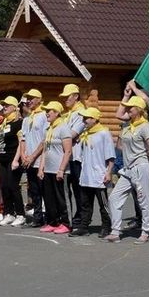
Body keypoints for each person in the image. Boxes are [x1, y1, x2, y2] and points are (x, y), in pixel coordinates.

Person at [106, 95, 149, 244]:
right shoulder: (127, 126)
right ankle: (115, 231)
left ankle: (146, 232)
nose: (127, 109)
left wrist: (142, 155)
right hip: (128, 169)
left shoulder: (144, 126)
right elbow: (120, 145)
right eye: (127, 107)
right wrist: (126, 96)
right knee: (114, 197)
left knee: (144, 200)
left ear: (139, 110)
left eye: (131, 107)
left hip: (141, 167)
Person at [117, 80, 149, 231]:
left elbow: (145, 100)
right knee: (136, 189)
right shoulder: (133, 118)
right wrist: (126, 96)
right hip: (132, 157)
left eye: (140, 96)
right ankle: (140, 218)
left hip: (147, 156)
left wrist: (134, 87)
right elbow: (119, 114)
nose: (138, 98)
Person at [74, 107, 115, 237]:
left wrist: (109, 172)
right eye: (83, 118)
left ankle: (107, 226)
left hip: (99, 176)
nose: (84, 120)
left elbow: (111, 156)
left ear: (94, 119)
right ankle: (84, 226)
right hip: (86, 176)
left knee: (103, 204)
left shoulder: (104, 133)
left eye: (86, 118)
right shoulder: (86, 134)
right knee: (85, 204)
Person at [37, 101, 72, 234]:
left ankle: (66, 223)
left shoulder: (63, 127)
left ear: (57, 113)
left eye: (49, 111)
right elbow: (45, 150)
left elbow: (68, 151)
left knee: (62, 198)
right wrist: (41, 168)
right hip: (48, 170)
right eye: (46, 111)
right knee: (49, 198)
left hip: (59, 170)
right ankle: (53, 222)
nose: (47, 113)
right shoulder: (48, 129)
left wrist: (61, 169)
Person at [0, 97, 26, 226]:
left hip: (13, 158)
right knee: (4, 186)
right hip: (2, 158)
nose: (5, 107)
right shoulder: (3, 123)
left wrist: (15, 160)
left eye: (7, 105)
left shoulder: (19, 122)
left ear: (14, 107)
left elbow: (21, 143)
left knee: (13, 186)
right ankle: (8, 213)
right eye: (3, 105)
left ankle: (20, 214)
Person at [17, 89, 47, 226]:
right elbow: (23, 139)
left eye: (32, 98)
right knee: (33, 190)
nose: (29, 101)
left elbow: (44, 140)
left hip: (40, 160)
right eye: (27, 98)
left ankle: (48, 216)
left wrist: (33, 156)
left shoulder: (44, 116)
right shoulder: (27, 119)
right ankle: (37, 216)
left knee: (43, 190)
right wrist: (23, 155)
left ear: (39, 99)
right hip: (28, 160)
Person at [59, 84, 86, 223]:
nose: (65, 99)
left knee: (78, 189)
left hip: (77, 157)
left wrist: (62, 137)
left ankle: (81, 217)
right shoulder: (66, 115)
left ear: (76, 96)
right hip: (66, 157)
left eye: (67, 96)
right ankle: (69, 216)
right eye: (63, 97)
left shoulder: (81, 113)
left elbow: (71, 134)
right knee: (67, 189)